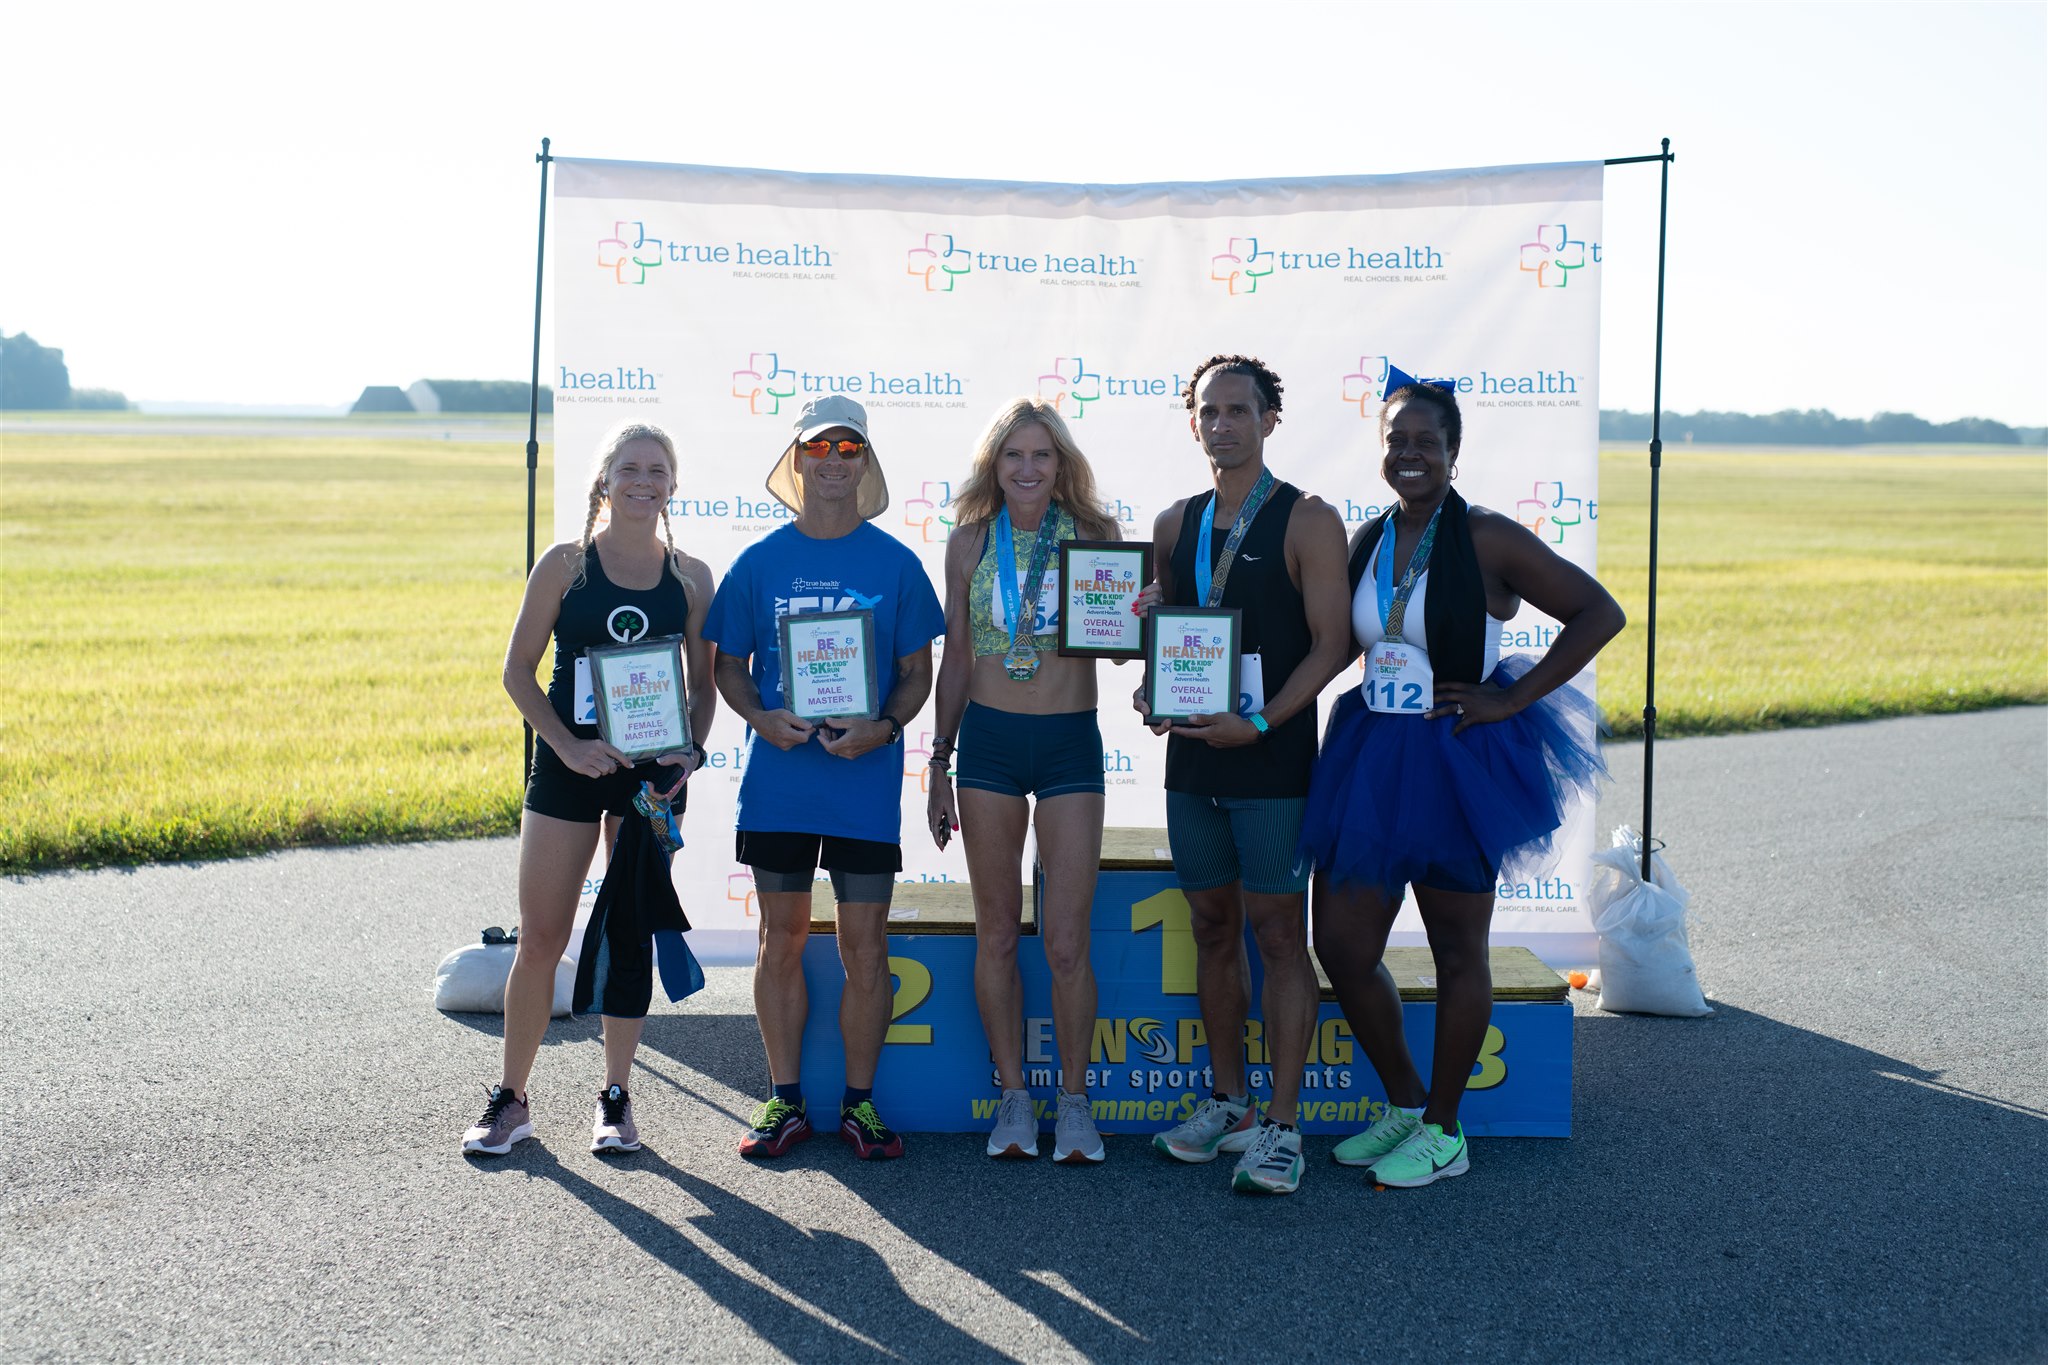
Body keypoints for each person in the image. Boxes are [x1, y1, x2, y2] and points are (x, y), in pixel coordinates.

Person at [1304, 380, 1622, 1188]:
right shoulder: (1370, 537)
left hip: (1455, 757)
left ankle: (1446, 1129)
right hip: (1372, 755)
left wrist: (1511, 698)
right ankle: (1406, 1103)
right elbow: (1334, 643)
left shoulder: (1486, 536)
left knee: (1456, 951)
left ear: (1453, 450)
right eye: (1395, 439)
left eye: (1426, 440)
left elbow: (1598, 612)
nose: (1409, 453)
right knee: (1342, 946)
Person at [463, 421, 717, 1157]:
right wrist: (569, 747)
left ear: (673, 486)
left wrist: (688, 759)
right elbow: (517, 672)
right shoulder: (565, 565)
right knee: (542, 936)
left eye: (658, 471)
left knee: (629, 935)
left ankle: (615, 1097)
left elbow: (703, 688)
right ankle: (511, 1099)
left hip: (650, 780)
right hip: (568, 768)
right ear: (605, 480)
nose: (644, 481)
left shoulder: (691, 577)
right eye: (630, 468)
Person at [705, 395, 944, 1162]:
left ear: (865, 461)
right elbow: (727, 665)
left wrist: (886, 727)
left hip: (862, 787)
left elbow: (917, 672)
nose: (834, 460)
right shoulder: (758, 562)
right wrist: (759, 717)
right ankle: (784, 1099)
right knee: (779, 940)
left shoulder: (896, 563)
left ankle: (859, 1105)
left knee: (865, 948)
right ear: (797, 459)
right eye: (819, 447)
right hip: (780, 785)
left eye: (849, 448)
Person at [1140, 355, 1351, 1194]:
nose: (1222, 423)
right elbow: (1172, 639)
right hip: (1193, 758)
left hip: (1273, 757)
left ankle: (1283, 1126)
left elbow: (1333, 644)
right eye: (1209, 411)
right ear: (1192, 422)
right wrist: (1154, 686)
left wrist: (1259, 721)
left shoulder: (1309, 518)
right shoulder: (1174, 522)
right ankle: (1230, 1102)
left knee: (1278, 935)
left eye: (1239, 409)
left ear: (1269, 419)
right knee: (1212, 927)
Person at [925, 398, 1132, 1164]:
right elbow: (956, 656)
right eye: (1013, 454)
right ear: (994, 464)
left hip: (1071, 743)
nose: (1028, 467)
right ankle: (1014, 1094)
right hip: (990, 745)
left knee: (1068, 941)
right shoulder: (970, 541)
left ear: (1061, 463)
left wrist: (1138, 616)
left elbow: (1119, 650)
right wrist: (938, 759)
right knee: (998, 931)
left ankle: (1074, 1103)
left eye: (1042, 454)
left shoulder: (1095, 536)